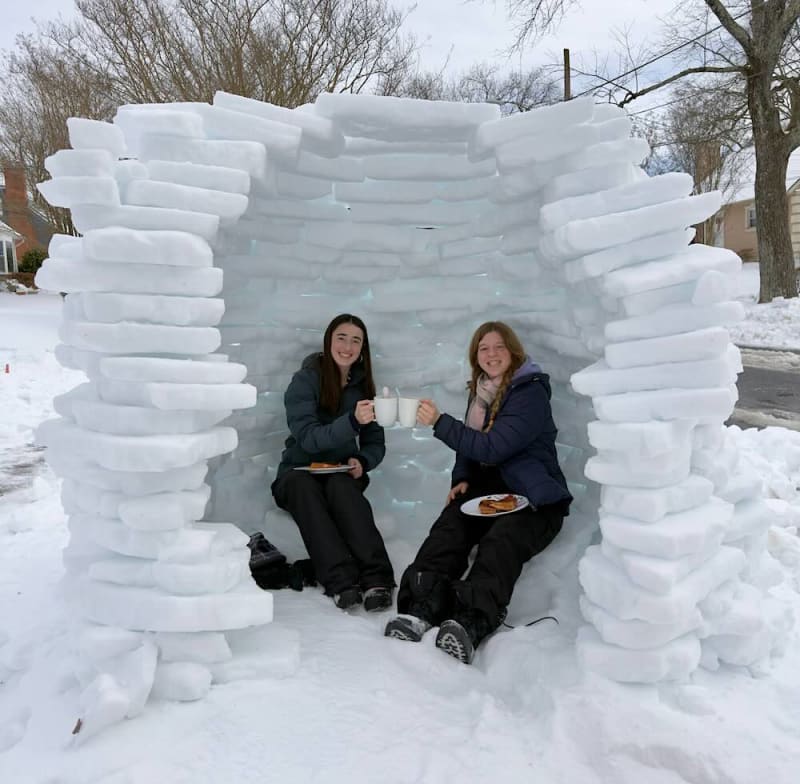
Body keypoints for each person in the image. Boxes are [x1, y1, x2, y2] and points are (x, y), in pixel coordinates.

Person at [384, 321, 572, 664]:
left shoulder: (530, 393)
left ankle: (471, 621)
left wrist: (440, 422)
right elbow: (470, 448)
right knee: (450, 526)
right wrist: (463, 476)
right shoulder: (483, 391)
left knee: (502, 541)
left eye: (499, 346)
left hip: (536, 498)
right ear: (476, 356)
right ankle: (420, 608)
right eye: (483, 348)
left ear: (513, 351)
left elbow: (493, 447)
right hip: (490, 491)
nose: (491, 354)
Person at [272, 314, 395, 612]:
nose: (348, 346)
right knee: (303, 488)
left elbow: (375, 443)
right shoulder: (305, 381)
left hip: (339, 471)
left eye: (356, 340)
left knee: (342, 486)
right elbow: (309, 438)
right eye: (342, 337)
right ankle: (341, 582)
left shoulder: (363, 388)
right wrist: (352, 421)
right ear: (328, 341)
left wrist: (362, 461)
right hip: (296, 473)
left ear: (362, 349)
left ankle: (377, 579)